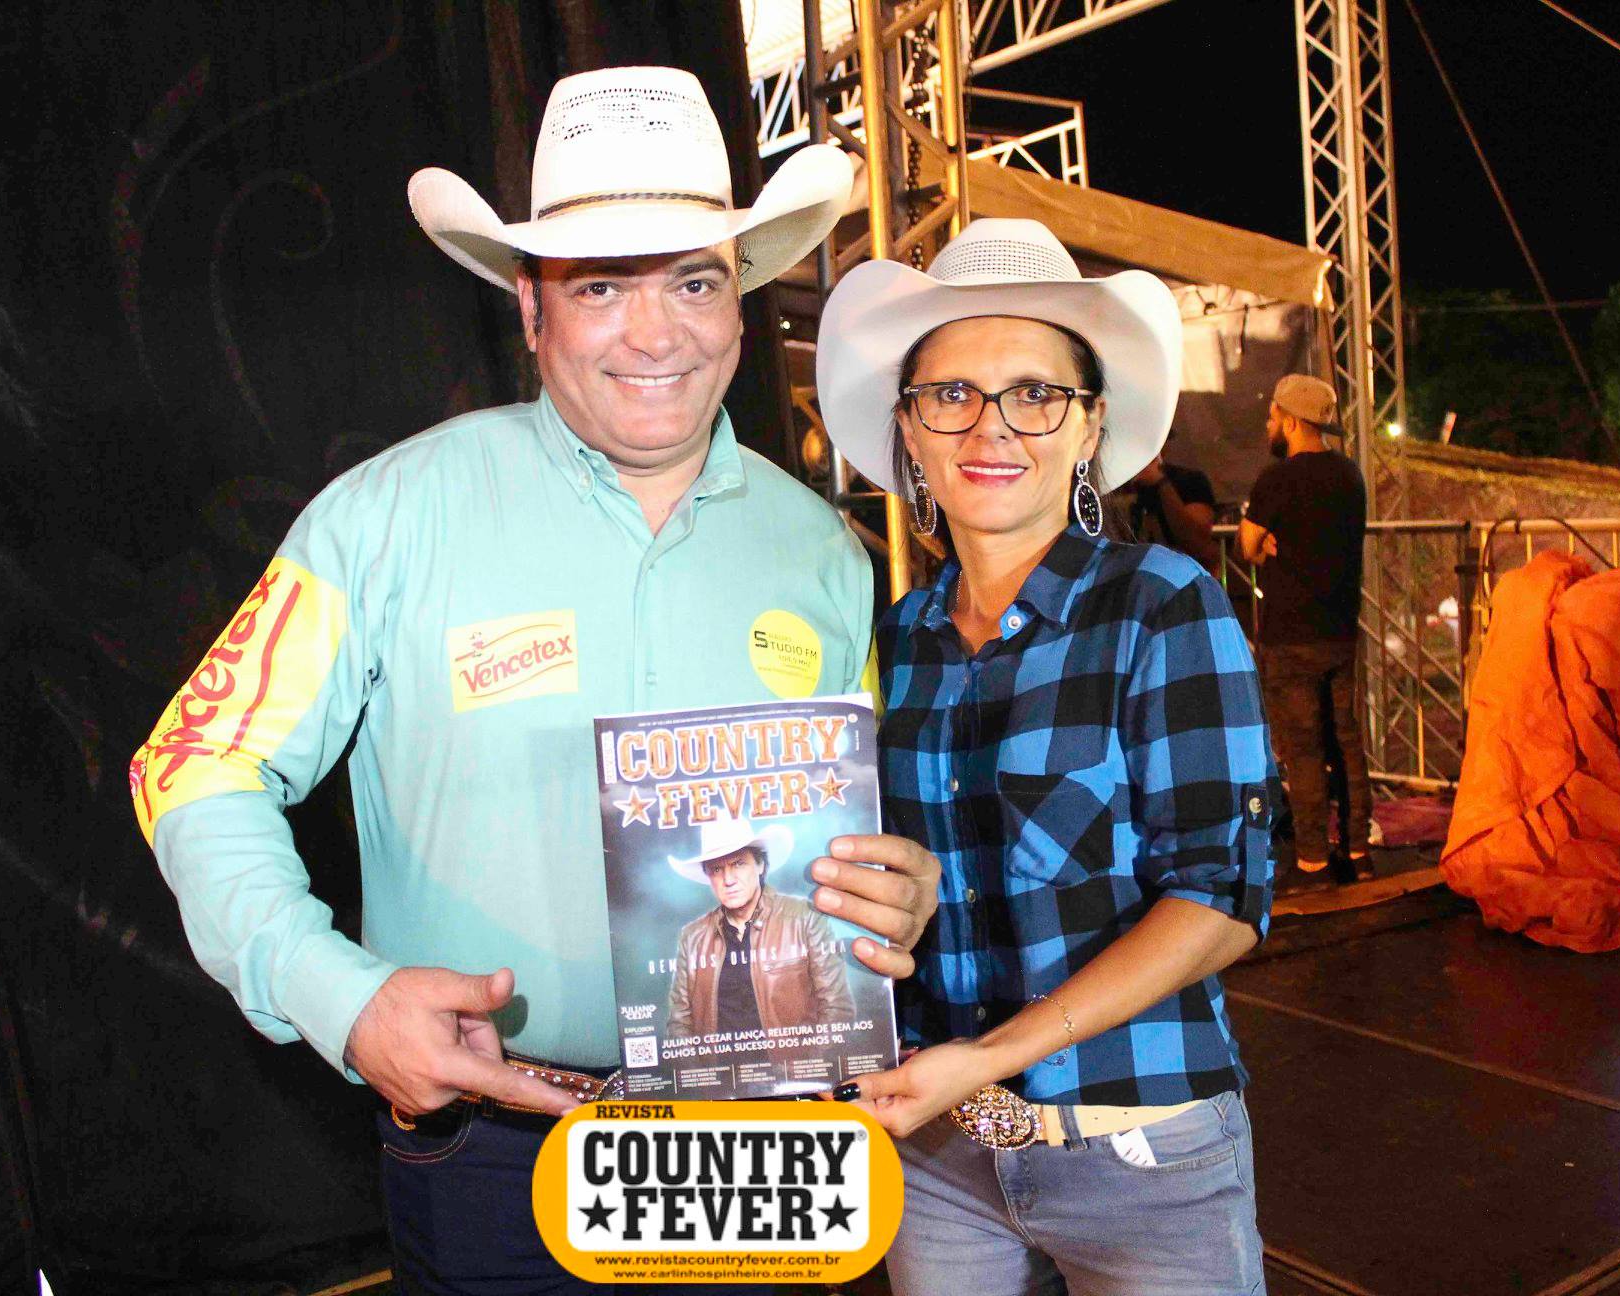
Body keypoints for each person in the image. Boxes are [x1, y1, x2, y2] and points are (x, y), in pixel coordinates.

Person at [127, 66, 940, 1294]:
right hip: (500, 1149)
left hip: (770, 1140)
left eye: (694, 281)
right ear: (530, 308)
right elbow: (193, 764)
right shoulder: (387, 516)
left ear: (740, 302)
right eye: (601, 285)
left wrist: (887, 891)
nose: (656, 333)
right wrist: (340, 996)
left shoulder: (822, 552)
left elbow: (837, 822)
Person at [816, 218, 1275, 1296]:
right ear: (910, 428)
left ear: (1090, 425)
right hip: (938, 1155)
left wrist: (992, 1056)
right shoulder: (892, 642)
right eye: (952, 394)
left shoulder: (1161, 604)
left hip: (1141, 1146)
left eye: (1035, 394)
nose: (992, 427)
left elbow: (1221, 901)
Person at [1239, 373, 1374, 885]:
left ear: (1292, 422)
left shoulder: (1277, 480)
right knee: (1346, 742)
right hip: (1339, 632)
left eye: (1273, 416)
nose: (1269, 425)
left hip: (1291, 637)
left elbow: (1246, 546)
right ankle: (1358, 852)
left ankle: (1314, 860)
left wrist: (1267, 542)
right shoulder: (1350, 476)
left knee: (1303, 749)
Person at [664, 817, 854, 1040]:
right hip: (718, 1062)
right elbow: (679, 1021)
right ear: (709, 877)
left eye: (738, 864)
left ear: (760, 865)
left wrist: (808, 1060)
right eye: (716, 869)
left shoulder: (804, 918)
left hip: (796, 1061)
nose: (728, 880)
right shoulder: (693, 937)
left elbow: (837, 1009)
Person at [1126, 453, 1219, 568]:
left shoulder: (1188, 480)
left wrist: (1162, 484)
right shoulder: (1114, 484)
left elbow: (1197, 542)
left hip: (1179, 570)